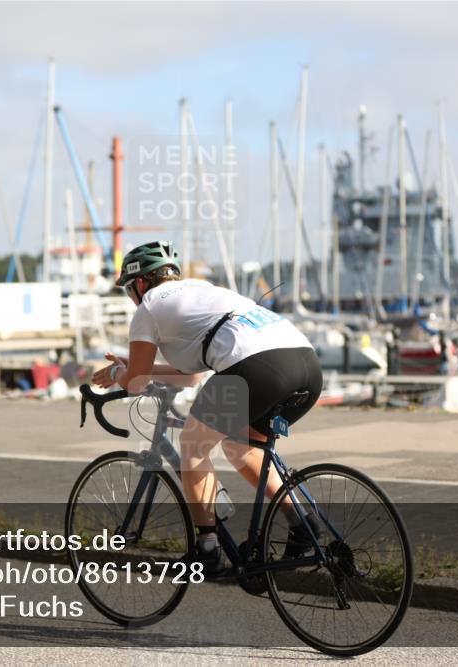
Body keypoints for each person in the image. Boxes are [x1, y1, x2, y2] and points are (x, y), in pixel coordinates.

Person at [91, 240, 324, 573]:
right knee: (241, 447)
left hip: (255, 367)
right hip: (305, 363)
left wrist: (118, 373)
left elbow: (137, 383)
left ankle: (207, 548)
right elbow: (191, 377)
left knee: (193, 444)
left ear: (140, 283)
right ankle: (303, 525)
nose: (131, 298)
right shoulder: (204, 290)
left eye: (129, 290)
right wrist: (137, 368)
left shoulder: (148, 308)